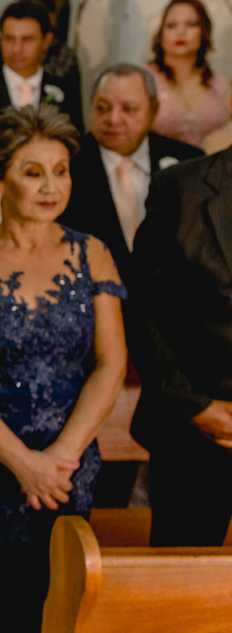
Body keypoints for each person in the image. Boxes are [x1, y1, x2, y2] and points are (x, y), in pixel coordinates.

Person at [0, 105, 128, 632]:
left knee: (56, 610)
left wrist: (61, 457)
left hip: (66, 472)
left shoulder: (94, 255)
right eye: (32, 173)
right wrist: (23, 464)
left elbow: (112, 363)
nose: (50, 186)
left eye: (60, 171)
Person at [128, 145, 232, 546]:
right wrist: (198, 408)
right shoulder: (181, 188)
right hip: (194, 434)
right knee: (175, 596)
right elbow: (144, 312)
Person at [58, 64, 203, 290]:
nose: (113, 119)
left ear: (153, 110)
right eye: (102, 108)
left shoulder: (188, 162)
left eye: (128, 109)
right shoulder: (67, 163)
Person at [0, 0, 84, 133]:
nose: (16, 49)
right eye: (9, 39)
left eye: (27, 40)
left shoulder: (64, 87)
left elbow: (76, 134)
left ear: (46, 41)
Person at [146, 0, 232, 150]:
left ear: (204, 30)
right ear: (160, 33)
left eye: (191, 24)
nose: (180, 32)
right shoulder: (144, 80)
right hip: (161, 170)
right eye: (171, 25)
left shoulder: (222, 83)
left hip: (210, 170)